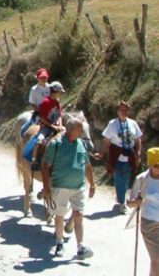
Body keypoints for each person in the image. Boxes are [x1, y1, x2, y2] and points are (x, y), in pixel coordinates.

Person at [42, 116, 95, 259]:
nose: (82, 133)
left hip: (79, 187)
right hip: (60, 187)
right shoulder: (56, 144)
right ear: (72, 130)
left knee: (79, 215)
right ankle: (59, 243)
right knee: (59, 216)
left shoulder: (81, 144)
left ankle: (81, 246)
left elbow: (87, 165)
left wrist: (92, 184)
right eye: (80, 130)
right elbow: (46, 167)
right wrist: (46, 187)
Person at [101, 100, 142, 214]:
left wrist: (138, 153)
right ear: (117, 111)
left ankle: (121, 197)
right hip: (116, 156)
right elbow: (106, 140)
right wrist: (102, 153)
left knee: (126, 178)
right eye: (121, 110)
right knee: (118, 178)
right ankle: (122, 202)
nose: (124, 112)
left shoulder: (133, 123)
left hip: (129, 155)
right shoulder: (112, 124)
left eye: (126, 110)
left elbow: (138, 140)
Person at [127, 148, 159, 276]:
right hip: (150, 225)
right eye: (157, 165)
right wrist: (137, 201)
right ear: (150, 165)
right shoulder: (142, 179)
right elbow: (130, 203)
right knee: (157, 259)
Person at [30, 81, 65, 171]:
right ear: (55, 91)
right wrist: (53, 127)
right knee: (39, 140)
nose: (60, 94)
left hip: (57, 126)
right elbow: (42, 118)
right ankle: (34, 161)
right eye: (59, 92)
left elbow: (59, 115)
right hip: (46, 127)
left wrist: (60, 125)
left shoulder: (56, 102)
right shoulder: (45, 102)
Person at [21, 68, 50, 135]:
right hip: (38, 112)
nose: (43, 79)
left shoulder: (50, 87)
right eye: (41, 77)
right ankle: (22, 135)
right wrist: (39, 111)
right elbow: (32, 104)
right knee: (28, 125)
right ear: (37, 78)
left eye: (45, 77)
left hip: (50, 112)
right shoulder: (34, 90)